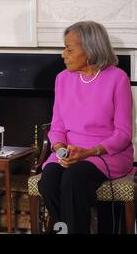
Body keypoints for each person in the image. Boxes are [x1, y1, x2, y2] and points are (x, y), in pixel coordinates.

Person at [37, 21, 134, 234]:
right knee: (48, 182)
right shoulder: (62, 79)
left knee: (74, 178)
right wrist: (61, 149)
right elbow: (57, 126)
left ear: (90, 50)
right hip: (69, 152)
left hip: (106, 153)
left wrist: (89, 152)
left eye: (69, 49)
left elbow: (124, 133)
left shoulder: (117, 78)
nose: (63, 54)